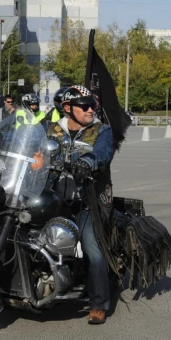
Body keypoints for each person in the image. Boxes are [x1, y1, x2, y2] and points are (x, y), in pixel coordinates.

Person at [46, 85, 114, 325]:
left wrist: (88, 162)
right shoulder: (51, 129)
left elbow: (103, 153)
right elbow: (33, 150)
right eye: (85, 105)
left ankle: (98, 303)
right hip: (53, 196)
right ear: (67, 109)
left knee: (92, 249)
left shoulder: (101, 130)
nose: (91, 109)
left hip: (90, 199)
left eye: (92, 105)